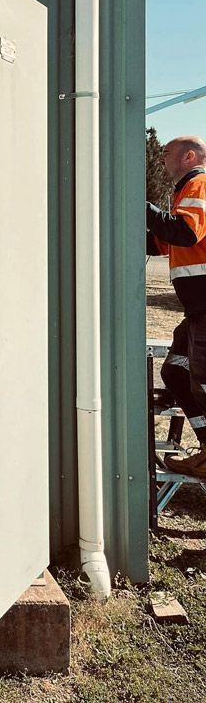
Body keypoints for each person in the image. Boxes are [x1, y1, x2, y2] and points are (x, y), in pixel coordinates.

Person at [147, 135, 206, 479]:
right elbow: (165, 242)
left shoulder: (199, 184)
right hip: (197, 310)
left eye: (166, 153)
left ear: (189, 156)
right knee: (175, 372)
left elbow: (184, 233)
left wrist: (140, 207)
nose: (161, 159)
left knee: (202, 380)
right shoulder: (185, 193)